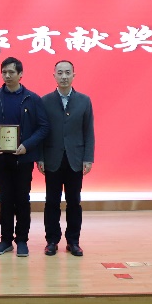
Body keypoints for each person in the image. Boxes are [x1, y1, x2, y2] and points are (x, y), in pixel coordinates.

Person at [0, 57, 49, 258]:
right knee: (5, 198)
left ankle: (22, 240)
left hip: (23, 157)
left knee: (22, 199)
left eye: (11, 72)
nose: (7, 75)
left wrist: (27, 146)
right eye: (4, 72)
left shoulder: (32, 98)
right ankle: (5, 240)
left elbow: (43, 127)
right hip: (0, 158)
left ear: (20, 74)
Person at [39, 60, 95, 257]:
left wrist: (88, 158)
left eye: (67, 73)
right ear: (54, 75)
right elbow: (41, 132)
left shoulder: (84, 100)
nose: (64, 76)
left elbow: (88, 131)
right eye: (60, 73)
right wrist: (40, 157)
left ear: (73, 75)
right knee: (51, 202)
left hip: (75, 159)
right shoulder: (45, 101)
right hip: (52, 158)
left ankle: (73, 241)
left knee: (74, 202)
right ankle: (52, 241)